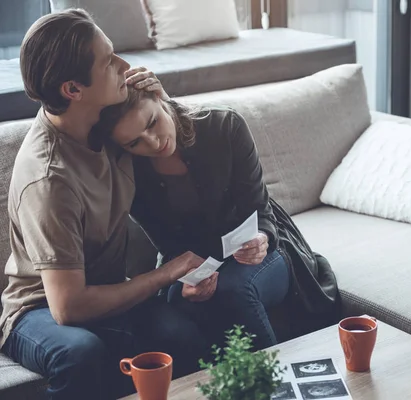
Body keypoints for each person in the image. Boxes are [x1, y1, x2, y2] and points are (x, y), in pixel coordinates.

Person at [0, 9, 212, 400]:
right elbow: (68, 307)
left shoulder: (106, 122)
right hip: (37, 309)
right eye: (108, 61)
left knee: (182, 335)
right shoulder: (49, 177)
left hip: (107, 289)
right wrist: (166, 274)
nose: (124, 65)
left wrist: (159, 99)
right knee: (81, 352)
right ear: (73, 90)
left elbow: (183, 140)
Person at [91, 86, 341, 350]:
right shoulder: (130, 171)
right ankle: (217, 386)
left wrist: (260, 238)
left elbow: (260, 210)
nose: (152, 142)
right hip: (193, 260)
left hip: (262, 248)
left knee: (234, 289)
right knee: (178, 306)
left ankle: (269, 386)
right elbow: (169, 246)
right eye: (134, 142)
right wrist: (187, 282)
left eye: (153, 123)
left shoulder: (224, 125)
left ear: (159, 98)